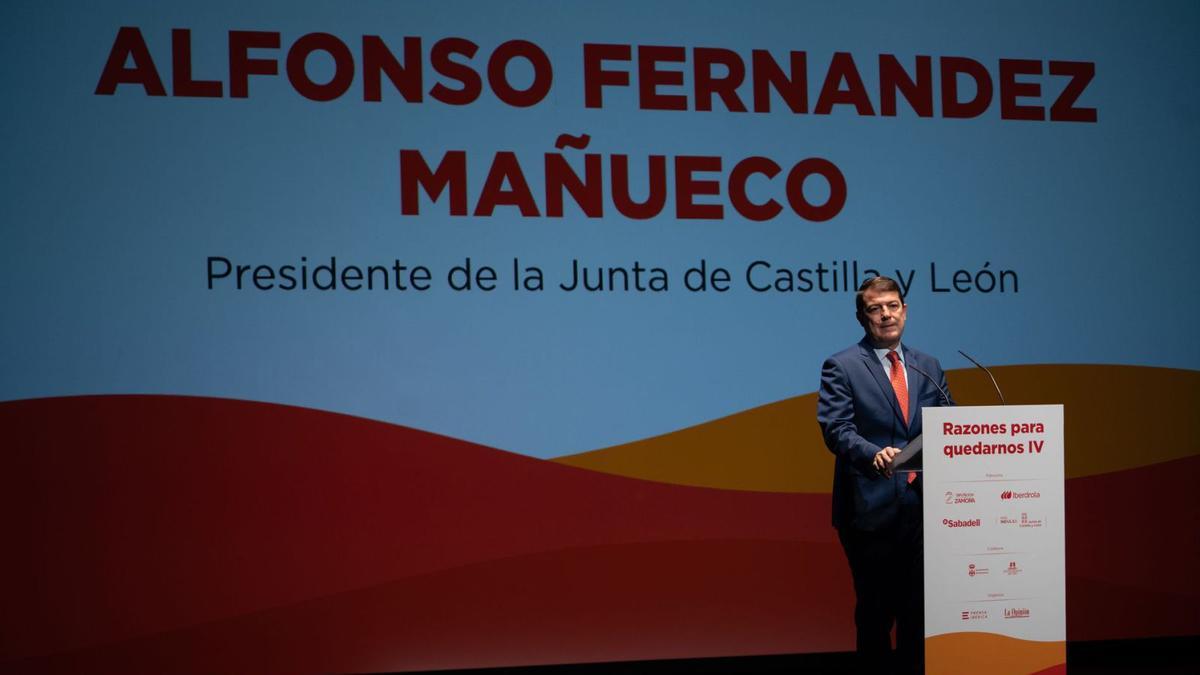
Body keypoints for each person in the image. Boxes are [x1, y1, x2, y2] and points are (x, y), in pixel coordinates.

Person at [816, 276, 953, 675]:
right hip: (869, 511)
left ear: (905, 311)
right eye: (876, 308)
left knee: (920, 614)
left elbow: (946, 422)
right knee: (877, 616)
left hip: (922, 509)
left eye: (893, 305)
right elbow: (836, 429)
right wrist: (874, 454)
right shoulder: (841, 366)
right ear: (863, 317)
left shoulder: (927, 366)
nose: (886, 314)